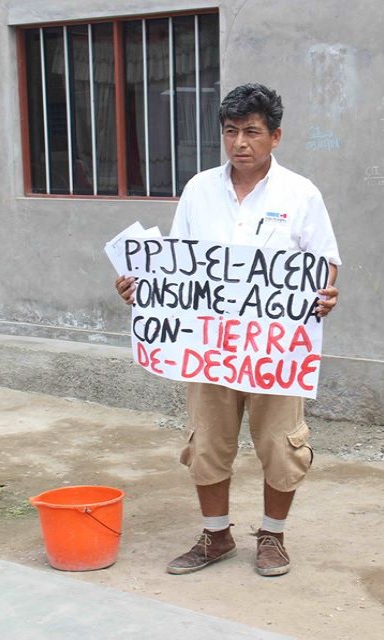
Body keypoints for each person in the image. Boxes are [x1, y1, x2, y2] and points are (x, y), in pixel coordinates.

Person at [115, 83, 341, 576]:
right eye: (231, 131)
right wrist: (143, 288)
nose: (240, 142)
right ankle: (215, 536)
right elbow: (177, 267)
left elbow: (326, 264)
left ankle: (272, 537)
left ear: (275, 137)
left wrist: (324, 292)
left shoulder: (301, 194)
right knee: (206, 444)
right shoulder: (199, 189)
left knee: (282, 446)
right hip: (209, 346)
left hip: (275, 349)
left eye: (252, 132)